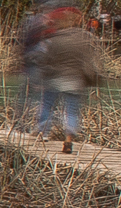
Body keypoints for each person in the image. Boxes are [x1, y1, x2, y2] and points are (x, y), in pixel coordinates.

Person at [31, 13, 104, 153]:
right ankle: (68, 139)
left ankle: (43, 133)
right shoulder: (83, 40)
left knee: (47, 105)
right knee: (71, 110)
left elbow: (46, 60)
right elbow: (89, 62)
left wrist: (41, 77)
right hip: (75, 80)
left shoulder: (55, 39)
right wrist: (92, 79)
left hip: (55, 78)